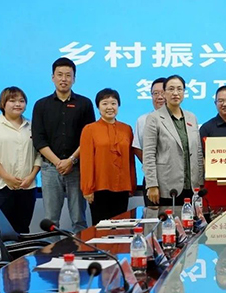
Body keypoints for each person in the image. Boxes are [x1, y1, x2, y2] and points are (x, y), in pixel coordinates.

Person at [32, 57, 95, 232]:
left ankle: (80, 249)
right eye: (60, 75)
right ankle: (52, 250)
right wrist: (58, 162)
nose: (64, 79)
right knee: (51, 221)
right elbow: (38, 139)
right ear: (53, 77)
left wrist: (71, 160)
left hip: (76, 168)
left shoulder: (84, 103)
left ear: (74, 78)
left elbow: (88, 138)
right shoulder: (41, 105)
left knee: (79, 219)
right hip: (50, 169)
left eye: (68, 75)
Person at [0, 86, 41, 233]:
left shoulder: (32, 126)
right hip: (0, 187)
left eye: (21, 101)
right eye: (12, 101)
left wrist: (31, 176)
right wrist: (8, 178)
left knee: (22, 230)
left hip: (27, 187)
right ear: (3, 103)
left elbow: (39, 154)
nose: (18, 104)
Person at [143, 75, 204, 206]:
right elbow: (148, 154)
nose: (175, 93)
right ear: (164, 93)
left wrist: (200, 181)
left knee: (190, 218)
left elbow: (198, 152)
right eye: (171, 89)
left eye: (179, 89)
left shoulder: (191, 117)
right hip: (166, 185)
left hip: (191, 186)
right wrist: (152, 185)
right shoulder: (154, 118)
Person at [80, 88, 136, 225]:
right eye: (105, 103)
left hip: (122, 186)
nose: (109, 107)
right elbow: (86, 161)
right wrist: (87, 188)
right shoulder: (89, 129)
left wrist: (132, 184)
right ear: (98, 107)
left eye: (113, 103)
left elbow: (130, 159)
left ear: (118, 105)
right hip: (99, 187)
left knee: (120, 227)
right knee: (101, 228)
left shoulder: (127, 129)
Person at [132, 77, 165, 207]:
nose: (159, 97)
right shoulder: (143, 120)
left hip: (176, 180)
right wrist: (151, 167)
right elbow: (137, 147)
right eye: (155, 93)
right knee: (152, 214)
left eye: (163, 92)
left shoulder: (183, 119)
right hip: (152, 179)